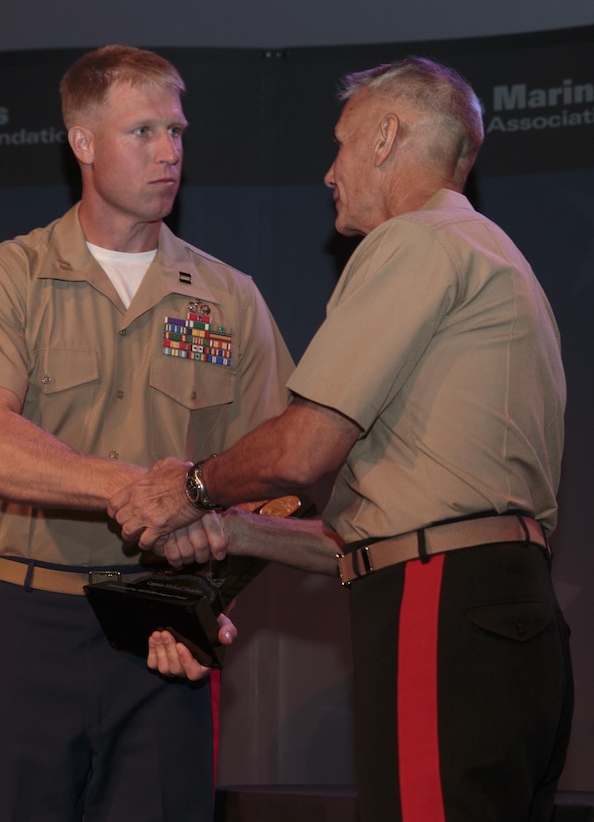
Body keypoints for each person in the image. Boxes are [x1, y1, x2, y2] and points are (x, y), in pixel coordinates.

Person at [108, 57, 574, 822]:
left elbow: (303, 450)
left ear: (385, 137)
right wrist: (235, 530)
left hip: (439, 606)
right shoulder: (496, 256)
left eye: (340, 143)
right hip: (506, 613)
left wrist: (188, 489)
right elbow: (377, 535)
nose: (328, 172)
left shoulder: (413, 241)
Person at [0, 45, 295, 822]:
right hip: (32, 622)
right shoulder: (7, 276)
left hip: (164, 630)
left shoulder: (229, 298)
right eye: (142, 131)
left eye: (176, 131)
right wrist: (137, 489)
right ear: (82, 143)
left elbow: (280, 477)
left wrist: (205, 596)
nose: (169, 152)